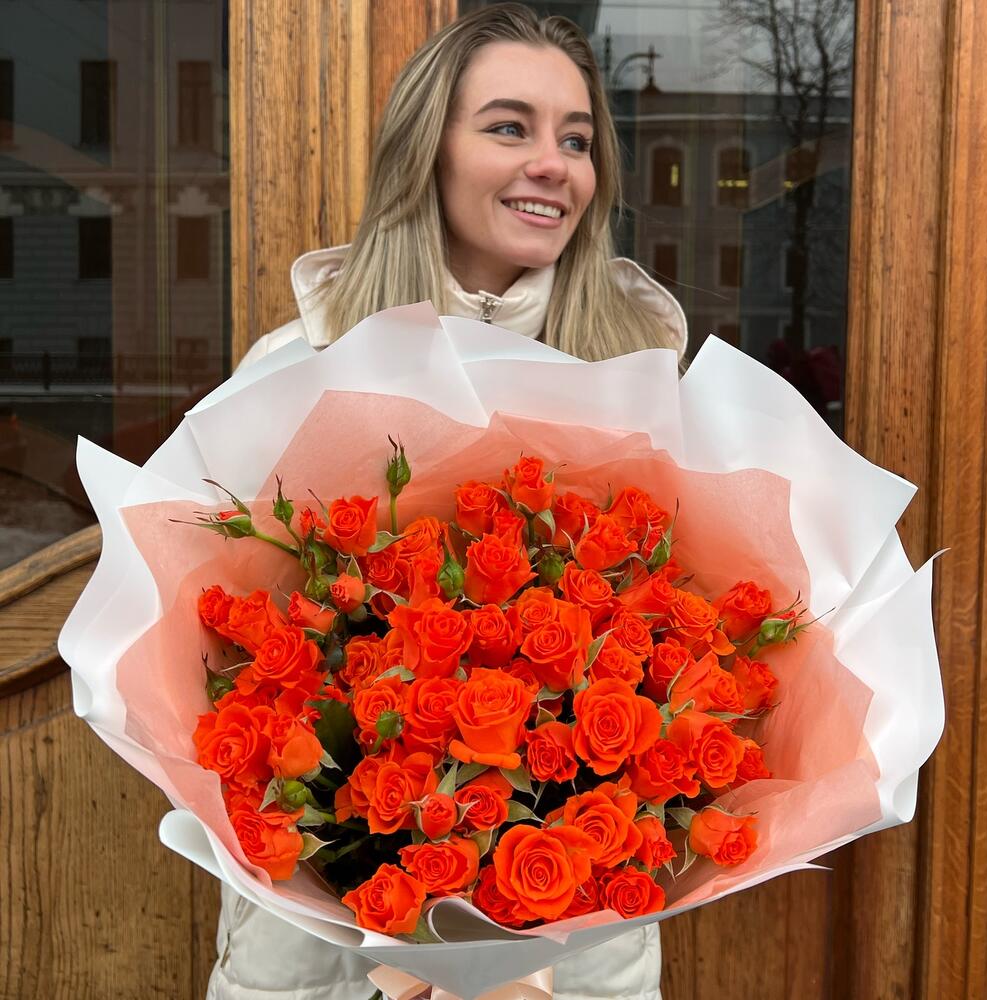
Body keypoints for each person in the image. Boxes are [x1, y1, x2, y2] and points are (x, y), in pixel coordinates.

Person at [209, 5, 686, 999]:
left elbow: (682, 640)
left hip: (575, 922)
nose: (552, 164)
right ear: (427, 149)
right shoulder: (299, 367)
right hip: (326, 916)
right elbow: (207, 654)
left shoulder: (636, 381)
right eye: (509, 127)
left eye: (577, 140)